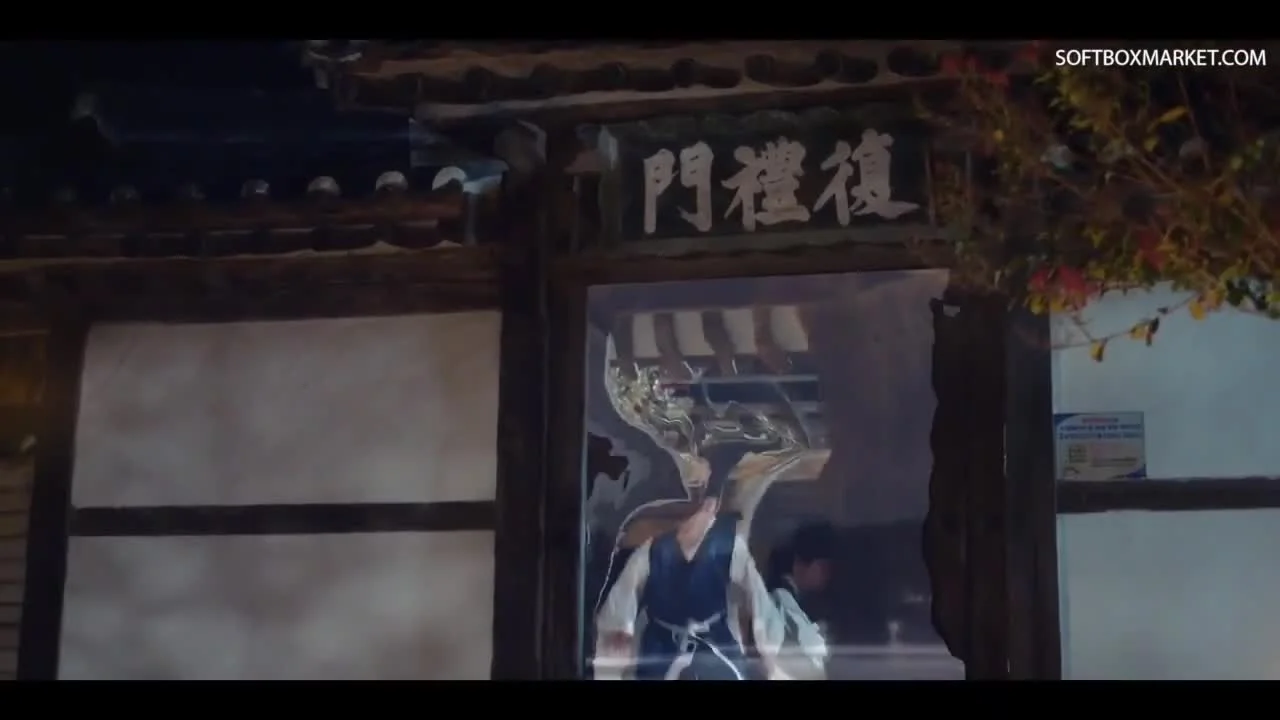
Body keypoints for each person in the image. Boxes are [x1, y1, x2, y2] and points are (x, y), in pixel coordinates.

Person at [593, 444, 789, 681]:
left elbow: (758, 600)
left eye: (707, 502)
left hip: (716, 643)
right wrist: (620, 636)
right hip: (661, 648)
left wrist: (768, 655)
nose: (704, 510)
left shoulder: (728, 546)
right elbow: (621, 608)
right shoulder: (653, 551)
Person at [765, 521, 837, 680]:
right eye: (823, 568)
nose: (827, 576)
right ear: (798, 563)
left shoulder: (799, 604)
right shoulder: (780, 602)